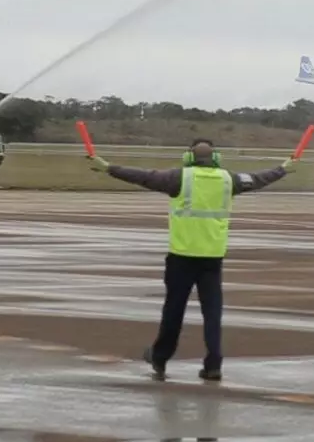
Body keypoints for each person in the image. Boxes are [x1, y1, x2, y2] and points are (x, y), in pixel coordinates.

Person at [87, 139, 295, 381]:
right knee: (213, 313)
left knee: (174, 310)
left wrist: (108, 167)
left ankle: (160, 357)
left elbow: (142, 176)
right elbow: (259, 178)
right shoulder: (229, 180)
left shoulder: (179, 178)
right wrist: (282, 169)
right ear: (216, 158)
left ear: (189, 158)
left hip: (182, 256)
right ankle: (214, 364)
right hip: (212, 258)